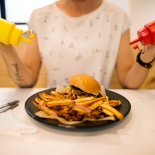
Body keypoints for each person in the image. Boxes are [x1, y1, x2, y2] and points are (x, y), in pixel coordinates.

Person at [0, 0, 155, 89]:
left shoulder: (117, 17)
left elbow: (129, 82)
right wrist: (5, 47)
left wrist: (147, 55)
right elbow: (27, 80)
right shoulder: (40, 17)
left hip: (98, 112)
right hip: (53, 111)